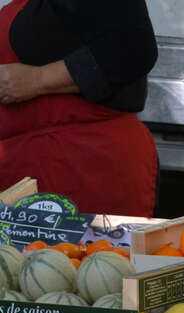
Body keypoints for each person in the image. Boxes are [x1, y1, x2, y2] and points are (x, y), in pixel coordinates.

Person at [0, 0, 158, 217]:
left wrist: (37, 79)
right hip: (35, 170)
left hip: (82, 167)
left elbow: (132, 48)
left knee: (82, 252)